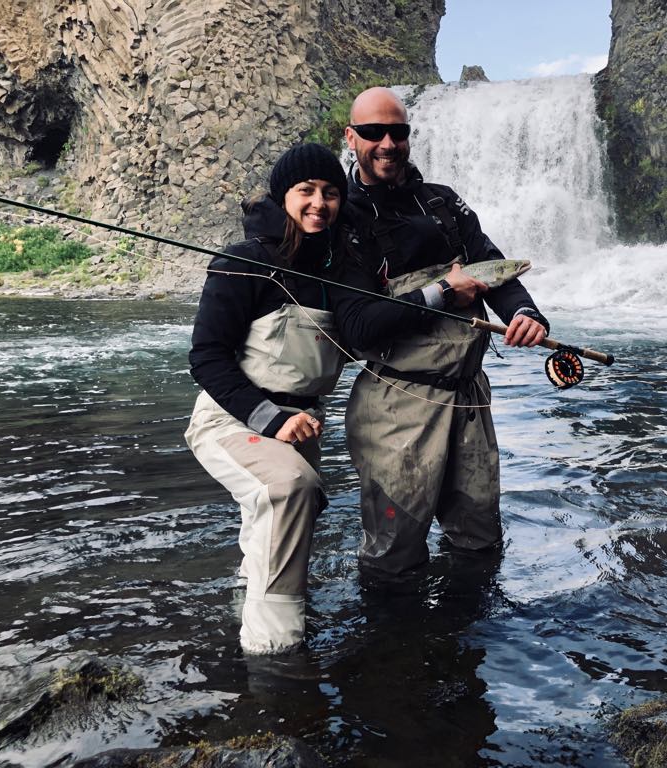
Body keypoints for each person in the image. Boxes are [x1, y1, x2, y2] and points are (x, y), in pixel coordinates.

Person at [330, 86, 550, 575]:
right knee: (394, 555)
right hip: (397, 405)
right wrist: (445, 293)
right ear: (351, 137)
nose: (387, 143)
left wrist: (525, 313)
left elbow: (493, 267)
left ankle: (471, 645)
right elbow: (360, 328)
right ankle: (393, 648)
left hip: (470, 398)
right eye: (373, 133)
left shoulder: (444, 203)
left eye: (398, 132)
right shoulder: (340, 217)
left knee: (479, 541)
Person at [185, 143, 348, 654]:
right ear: (283, 197)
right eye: (306, 191)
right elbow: (207, 357)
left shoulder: (339, 272)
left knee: (282, 518)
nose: (319, 202)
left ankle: (242, 606)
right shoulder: (242, 261)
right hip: (232, 418)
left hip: (300, 421)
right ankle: (273, 654)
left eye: (330, 193)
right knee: (290, 488)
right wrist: (270, 418)